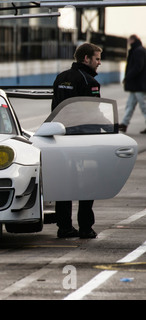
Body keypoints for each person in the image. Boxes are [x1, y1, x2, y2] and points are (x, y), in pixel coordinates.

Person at [51, 43, 102, 239]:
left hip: (61, 138)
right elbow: (94, 111)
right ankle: (85, 228)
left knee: (64, 183)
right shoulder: (90, 81)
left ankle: (64, 228)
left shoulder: (60, 77)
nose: (99, 63)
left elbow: (54, 108)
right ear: (86, 59)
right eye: (97, 59)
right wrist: (112, 125)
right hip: (83, 140)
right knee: (87, 184)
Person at [119, 35, 146, 134]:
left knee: (143, 106)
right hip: (136, 85)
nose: (128, 42)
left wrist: (127, 77)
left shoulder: (138, 51)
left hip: (139, 84)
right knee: (129, 105)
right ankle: (124, 124)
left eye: (129, 40)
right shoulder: (138, 49)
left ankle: (124, 124)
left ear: (133, 40)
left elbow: (138, 67)